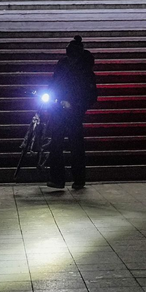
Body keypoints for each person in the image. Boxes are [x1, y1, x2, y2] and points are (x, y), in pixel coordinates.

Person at [46, 35, 98, 190]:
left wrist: (76, 105)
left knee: (68, 144)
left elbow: (89, 93)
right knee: (63, 144)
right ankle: (67, 179)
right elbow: (55, 82)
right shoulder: (67, 65)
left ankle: (69, 179)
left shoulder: (82, 69)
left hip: (72, 110)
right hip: (62, 109)